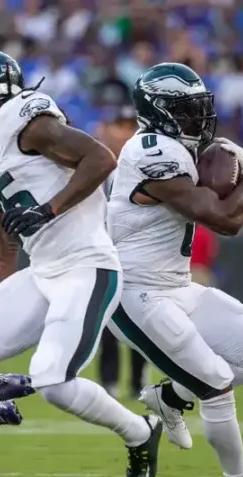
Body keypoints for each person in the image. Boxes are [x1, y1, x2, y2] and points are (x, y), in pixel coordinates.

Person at [0, 49, 162, 477]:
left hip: (88, 265)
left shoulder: (25, 119)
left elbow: (100, 158)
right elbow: (1, 257)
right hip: (44, 272)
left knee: (52, 380)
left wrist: (49, 210)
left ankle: (139, 431)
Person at [107, 63, 243, 477]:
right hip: (134, 293)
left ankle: (167, 396)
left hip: (178, 286)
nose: (199, 117)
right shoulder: (149, 151)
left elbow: (226, 214)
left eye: (200, 106)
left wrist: (239, 180)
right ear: (160, 111)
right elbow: (226, 220)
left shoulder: (185, 148)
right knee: (216, 379)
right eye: (188, 109)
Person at [96, 105, 147, 399]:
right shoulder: (95, 164)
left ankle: (139, 381)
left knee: (141, 318)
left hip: (136, 253)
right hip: (102, 251)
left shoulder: (140, 166)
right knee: (106, 322)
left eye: (131, 126)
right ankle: (109, 382)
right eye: (121, 126)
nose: (126, 132)